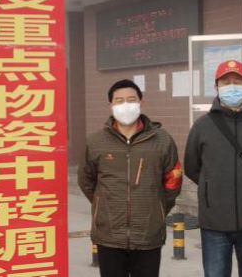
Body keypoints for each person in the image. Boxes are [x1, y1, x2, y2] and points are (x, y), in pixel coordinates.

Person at [185, 60, 242, 277]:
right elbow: (192, 167)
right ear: (216, 87)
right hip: (214, 223)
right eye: (226, 81)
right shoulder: (202, 126)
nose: (232, 85)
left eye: (237, 80)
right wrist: (212, 188)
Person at [78, 79, 183, 277]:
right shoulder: (96, 142)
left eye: (131, 99)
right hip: (109, 235)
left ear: (140, 102)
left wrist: (157, 207)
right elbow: (86, 180)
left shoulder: (162, 140)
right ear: (111, 105)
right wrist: (104, 204)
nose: (125, 105)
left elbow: (173, 179)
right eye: (119, 100)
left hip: (148, 235)